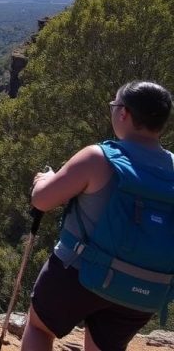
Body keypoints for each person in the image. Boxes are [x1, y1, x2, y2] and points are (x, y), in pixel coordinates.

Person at [23, 81, 174, 351]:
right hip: (146, 289)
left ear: (124, 113)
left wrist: (46, 179)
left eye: (114, 106)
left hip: (79, 273)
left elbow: (42, 200)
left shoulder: (98, 157)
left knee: (39, 327)